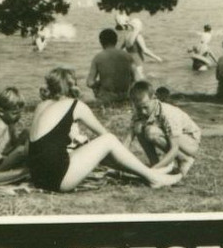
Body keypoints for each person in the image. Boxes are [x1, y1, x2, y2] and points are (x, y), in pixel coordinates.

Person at [27, 68, 180, 192]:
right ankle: (153, 178)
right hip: (57, 179)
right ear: (71, 86)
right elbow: (105, 135)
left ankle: (149, 174)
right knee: (109, 140)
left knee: (94, 146)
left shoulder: (42, 106)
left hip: (38, 176)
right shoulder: (75, 105)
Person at [87, 27, 139, 107]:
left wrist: (100, 83)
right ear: (116, 41)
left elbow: (89, 83)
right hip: (125, 96)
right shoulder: (127, 56)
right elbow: (137, 79)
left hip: (107, 98)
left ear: (101, 42)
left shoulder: (98, 57)